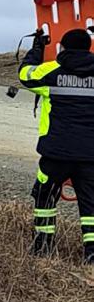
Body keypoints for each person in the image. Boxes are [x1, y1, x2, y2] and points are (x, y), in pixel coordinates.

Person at [19, 27, 94, 262]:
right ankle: (92, 253)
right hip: (90, 154)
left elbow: (25, 74)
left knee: (45, 197)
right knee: (90, 203)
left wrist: (37, 48)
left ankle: (43, 247)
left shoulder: (51, 71)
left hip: (56, 153)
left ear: (62, 47)